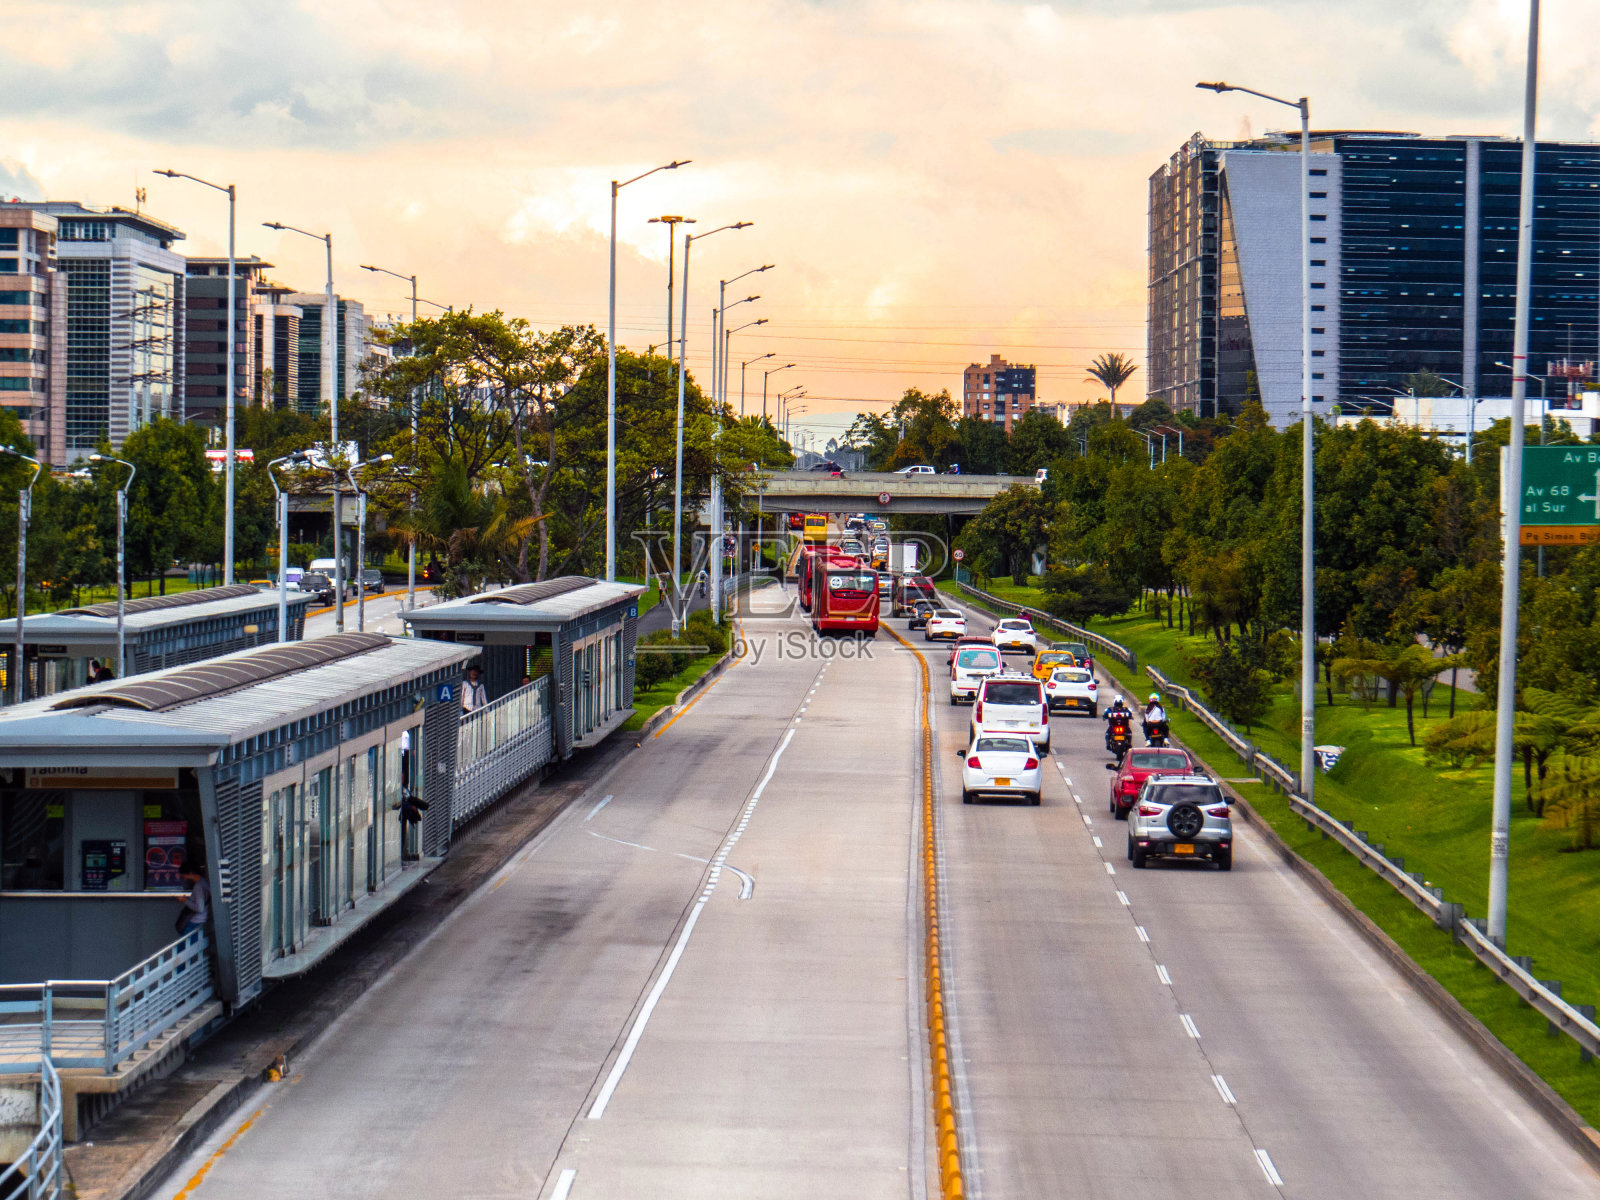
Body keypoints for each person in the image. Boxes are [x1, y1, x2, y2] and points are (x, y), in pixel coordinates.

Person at [175, 862, 210, 935]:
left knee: (184, 945)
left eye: (183, 875)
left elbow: (200, 908)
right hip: (203, 920)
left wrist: (185, 900)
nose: (183, 877)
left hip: (195, 921)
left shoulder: (198, 887)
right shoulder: (204, 882)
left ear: (190, 873)